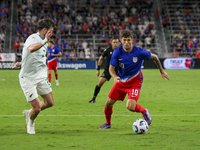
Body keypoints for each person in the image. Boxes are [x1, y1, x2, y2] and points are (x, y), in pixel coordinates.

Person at [99, 30, 170, 129]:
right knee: (108, 103)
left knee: (130, 107)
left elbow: (155, 57)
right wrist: (115, 77)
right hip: (121, 81)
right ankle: (108, 123)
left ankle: (144, 111)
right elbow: (111, 68)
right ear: (121, 40)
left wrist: (161, 71)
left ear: (132, 40)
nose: (126, 42)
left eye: (128, 40)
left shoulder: (139, 52)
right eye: (124, 40)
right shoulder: (117, 52)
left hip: (135, 81)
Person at [12, 18, 55, 134]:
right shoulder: (33, 38)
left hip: (40, 77)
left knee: (50, 102)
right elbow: (30, 49)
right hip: (28, 79)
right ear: (44, 30)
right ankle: (30, 123)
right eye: (50, 31)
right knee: (37, 108)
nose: (52, 33)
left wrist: (21, 63)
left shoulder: (44, 41)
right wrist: (45, 41)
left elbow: (33, 57)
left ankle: (28, 112)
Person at [89, 37, 120, 103]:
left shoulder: (122, 51)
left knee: (124, 83)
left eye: (116, 42)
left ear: (119, 43)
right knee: (100, 83)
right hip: (108, 69)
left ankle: (130, 99)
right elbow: (101, 59)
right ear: (111, 43)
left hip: (118, 70)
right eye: (114, 42)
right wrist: (98, 69)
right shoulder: (108, 50)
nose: (115, 44)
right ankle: (93, 98)